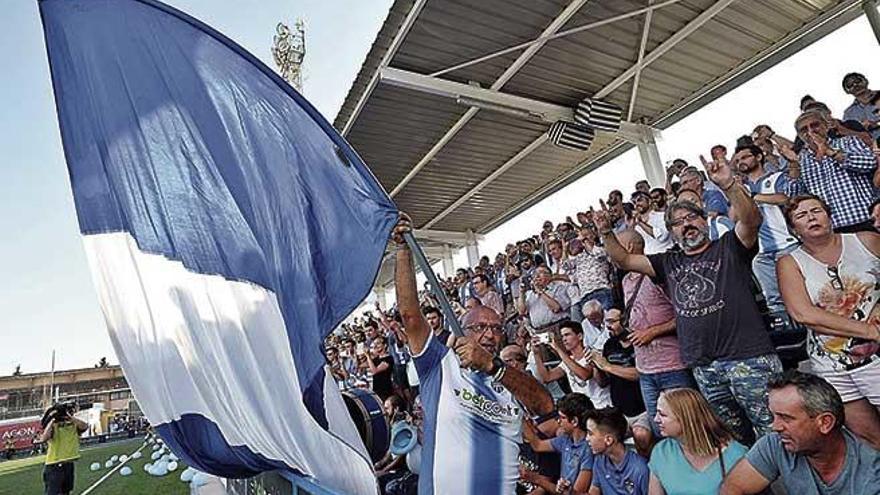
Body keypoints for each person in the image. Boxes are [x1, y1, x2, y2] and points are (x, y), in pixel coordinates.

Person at [596, 151, 781, 445]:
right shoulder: (667, 262)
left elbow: (751, 219)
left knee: (774, 433)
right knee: (734, 440)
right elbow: (625, 260)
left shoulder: (729, 247)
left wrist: (729, 184)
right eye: (678, 222)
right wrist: (606, 232)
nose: (686, 224)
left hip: (749, 358)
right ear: (671, 231)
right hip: (705, 367)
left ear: (703, 219)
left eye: (691, 217)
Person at [392, 213, 554, 494]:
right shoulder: (438, 365)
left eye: (496, 328)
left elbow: (545, 406)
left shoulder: (509, 377)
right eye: (480, 327)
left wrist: (494, 367)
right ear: (463, 331)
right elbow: (410, 316)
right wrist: (403, 250)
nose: (490, 335)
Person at [777, 194, 880, 448]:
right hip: (831, 365)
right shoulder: (790, 262)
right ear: (793, 229)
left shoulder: (866, 241)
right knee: (869, 438)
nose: (811, 217)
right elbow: (803, 314)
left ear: (829, 215)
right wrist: (868, 330)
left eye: (816, 210)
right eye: (801, 215)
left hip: (877, 358)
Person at [720, 371, 880, 494]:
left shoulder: (871, 469)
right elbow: (733, 487)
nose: (775, 426)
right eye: (773, 415)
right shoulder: (776, 444)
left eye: (786, 418)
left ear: (825, 422)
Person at [614, 229, 694, 436]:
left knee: (686, 427)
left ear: (630, 248)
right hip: (645, 370)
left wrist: (653, 332)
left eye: (614, 247)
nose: (610, 254)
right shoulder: (625, 281)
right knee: (661, 431)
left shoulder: (656, 274)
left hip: (672, 366)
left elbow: (687, 312)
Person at [732, 143, 799, 313]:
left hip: (788, 245)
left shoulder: (776, 177)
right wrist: (735, 192)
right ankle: (790, 335)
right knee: (775, 303)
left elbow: (786, 198)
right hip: (762, 254)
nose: (741, 162)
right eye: (738, 160)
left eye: (745, 157)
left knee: (802, 294)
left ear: (759, 157)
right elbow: (733, 217)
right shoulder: (742, 188)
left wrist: (753, 196)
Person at [791, 110, 878, 233]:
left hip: (866, 219)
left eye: (814, 125)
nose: (810, 131)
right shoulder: (801, 159)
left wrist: (830, 152)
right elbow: (794, 195)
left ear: (826, 126)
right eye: (804, 129)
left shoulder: (848, 142)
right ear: (800, 136)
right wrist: (793, 165)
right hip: (833, 228)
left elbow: (870, 163)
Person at [649, 388, 748, 495]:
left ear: (685, 418)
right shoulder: (661, 452)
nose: (656, 419)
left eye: (662, 415)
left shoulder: (737, 455)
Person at [590, 308, 652, 455]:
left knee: (641, 435)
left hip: (642, 409)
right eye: (606, 321)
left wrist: (607, 366)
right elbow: (603, 382)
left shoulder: (639, 342)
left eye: (612, 321)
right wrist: (596, 367)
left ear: (625, 321)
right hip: (619, 411)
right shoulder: (609, 345)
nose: (608, 326)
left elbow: (640, 373)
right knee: (598, 438)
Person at [523, 393, 595, 494]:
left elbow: (576, 493)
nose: (558, 421)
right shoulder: (564, 440)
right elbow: (538, 445)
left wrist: (535, 479)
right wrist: (523, 423)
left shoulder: (588, 450)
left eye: (562, 417)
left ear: (574, 421)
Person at [533, 320, 612, 409]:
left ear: (580, 336)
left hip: (602, 406)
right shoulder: (568, 360)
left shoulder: (591, 353)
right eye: (562, 336)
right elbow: (547, 377)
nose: (564, 339)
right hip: (584, 410)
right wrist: (536, 354)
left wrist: (558, 349)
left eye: (567, 335)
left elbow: (584, 375)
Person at [585, 407, 650, 495]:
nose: (587, 439)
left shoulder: (641, 469)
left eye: (590, 433)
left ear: (608, 440)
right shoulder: (599, 460)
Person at [38, 403, 87, 495]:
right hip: (54, 464)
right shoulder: (53, 425)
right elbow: (44, 438)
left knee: (66, 491)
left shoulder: (74, 424)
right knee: (53, 493)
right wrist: (52, 420)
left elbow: (84, 426)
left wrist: (70, 418)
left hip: (69, 463)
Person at [518, 266, 571, 333]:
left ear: (549, 276)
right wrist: (521, 293)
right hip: (539, 331)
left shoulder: (559, 288)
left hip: (557, 327)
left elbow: (556, 308)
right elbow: (521, 312)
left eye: (541, 272)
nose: (537, 276)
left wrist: (540, 292)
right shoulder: (530, 293)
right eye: (535, 273)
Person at [842, 72, 880, 142]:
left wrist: (876, 124)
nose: (855, 85)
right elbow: (849, 136)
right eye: (850, 85)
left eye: (857, 81)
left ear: (865, 81)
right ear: (847, 91)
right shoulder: (848, 114)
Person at [364, 336, 394, 401]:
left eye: (378, 343)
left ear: (385, 345)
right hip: (376, 389)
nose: (375, 346)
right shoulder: (376, 359)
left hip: (385, 389)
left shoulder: (388, 359)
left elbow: (375, 371)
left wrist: (368, 356)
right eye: (374, 344)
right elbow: (360, 366)